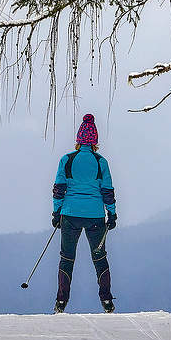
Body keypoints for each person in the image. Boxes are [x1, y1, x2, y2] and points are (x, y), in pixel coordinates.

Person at [51, 113, 117, 313]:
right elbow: (107, 191)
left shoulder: (67, 160)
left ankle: (61, 302)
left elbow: (59, 189)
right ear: (95, 141)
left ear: (78, 140)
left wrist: (56, 213)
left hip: (70, 215)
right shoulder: (100, 162)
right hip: (95, 217)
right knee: (99, 257)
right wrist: (112, 214)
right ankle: (106, 300)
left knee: (67, 258)